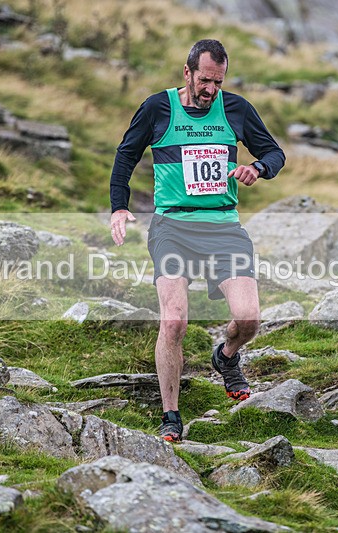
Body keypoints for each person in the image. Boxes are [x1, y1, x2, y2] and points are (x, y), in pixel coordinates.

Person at [109, 39, 286, 442]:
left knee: (249, 319)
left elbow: (275, 153)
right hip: (173, 227)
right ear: (187, 72)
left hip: (224, 228)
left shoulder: (236, 109)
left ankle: (226, 358)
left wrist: (258, 167)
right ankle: (171, 415)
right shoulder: (158, 108)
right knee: (174, 320)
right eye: (204, 80)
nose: (210, 90)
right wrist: (119, 207)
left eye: (218, 83)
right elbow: (125, 156)